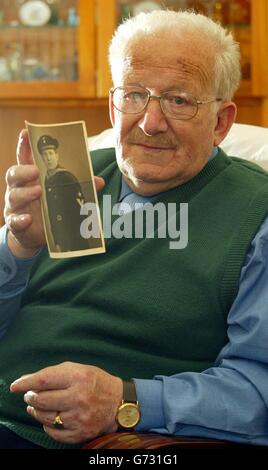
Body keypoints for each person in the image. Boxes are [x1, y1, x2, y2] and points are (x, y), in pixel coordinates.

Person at [1, 9, 268, 449]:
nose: (150, 123)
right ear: (112, 105)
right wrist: (18, 248)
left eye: (179, 100)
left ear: (220, 122)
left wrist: (124, 401)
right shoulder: (71, 178)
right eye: (134, 95)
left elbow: (258, 389)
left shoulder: (256, 213)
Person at [37, 134, 91, 252]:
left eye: (51, 153)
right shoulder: (47, 179)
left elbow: (82, 210)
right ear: (42, 158)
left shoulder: (67, 177)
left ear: (57, 155)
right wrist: (57, 241)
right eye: (45, 155)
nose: (48, 158)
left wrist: (75, 241)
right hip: (62, 240)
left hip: (76, 238)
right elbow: (53, 213)